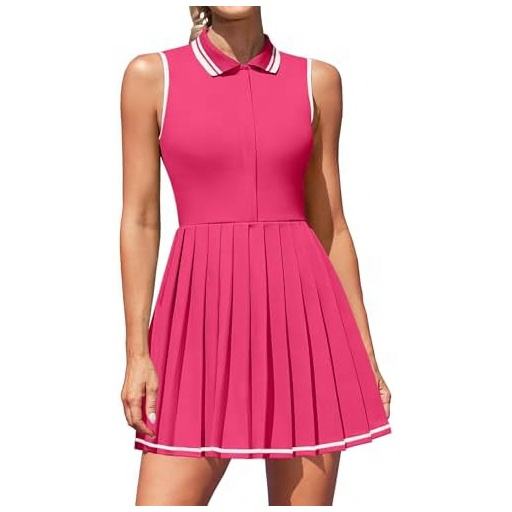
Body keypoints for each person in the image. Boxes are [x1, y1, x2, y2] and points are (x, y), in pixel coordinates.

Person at [119, 6, 392, 506]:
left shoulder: (318, 81)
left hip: (304, 325)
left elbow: (332, 226)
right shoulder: (151, 77)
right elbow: (139, 220)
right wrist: (137, 354)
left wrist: (365, 352)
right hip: (199, 324)